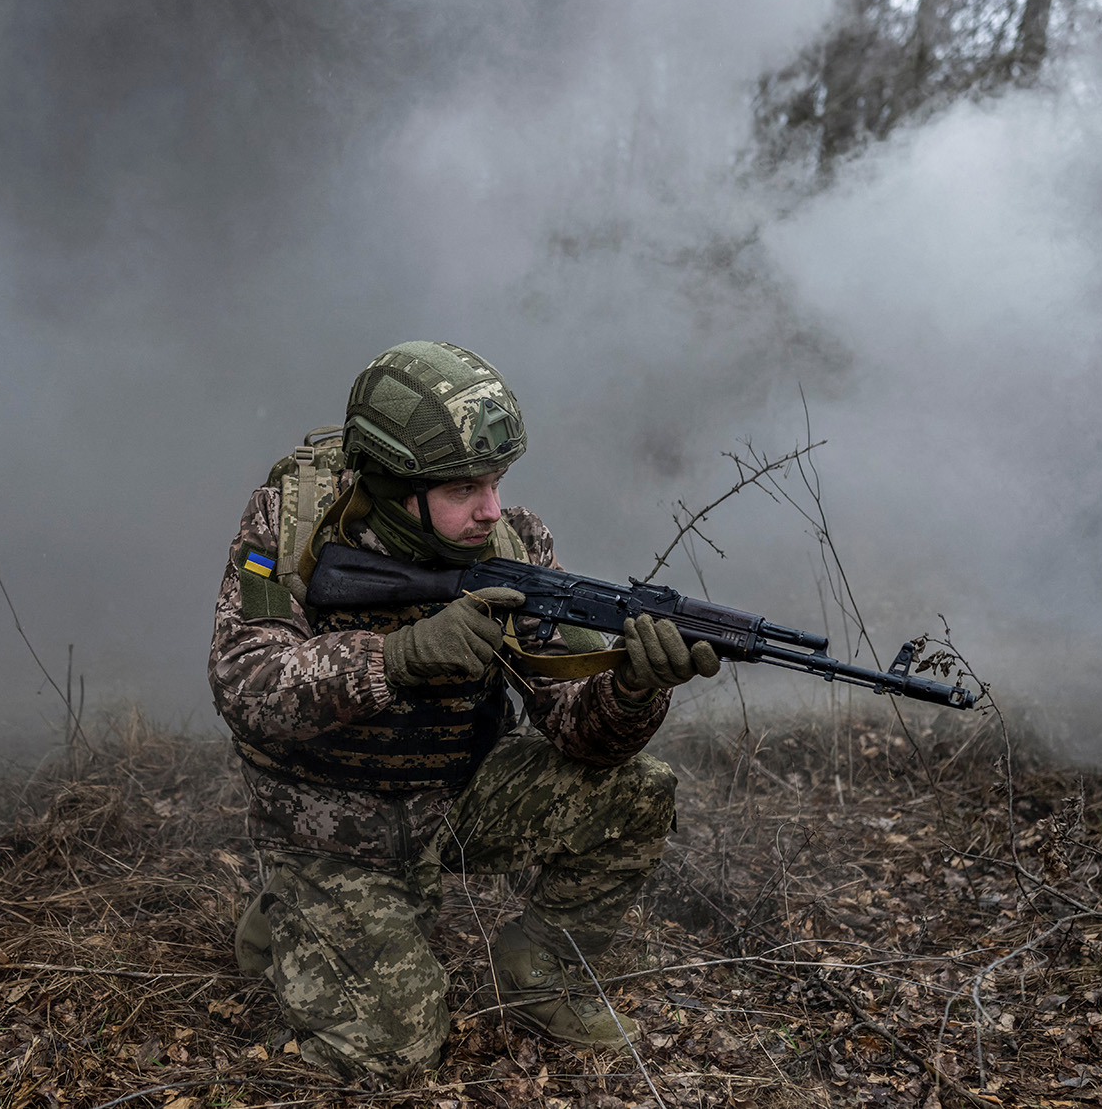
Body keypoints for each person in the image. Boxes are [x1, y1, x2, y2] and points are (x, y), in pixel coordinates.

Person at [207, 341, 719, 1083]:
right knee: (398, 1050)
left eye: (497, 481)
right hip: (328, 825)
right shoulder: (294, 526)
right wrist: (397, 658)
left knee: (641, 790)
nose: (492, 509)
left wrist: (634, 685)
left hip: (456, 796)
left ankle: (537, 966)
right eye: (463, 489)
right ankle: (289, 907)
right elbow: (243, 683)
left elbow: (578, 728)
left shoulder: (513, 543)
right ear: (392, 482)